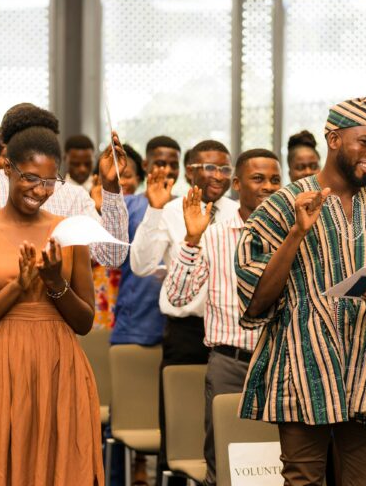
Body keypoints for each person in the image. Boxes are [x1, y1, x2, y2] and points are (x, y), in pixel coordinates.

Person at [236, 97, 366, 485]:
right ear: (333, 139)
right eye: (364, 142)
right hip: (302, 367)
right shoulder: (282, 206)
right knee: (303, 479)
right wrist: (297, 232)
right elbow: (255, 299)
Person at [0, 104, 104, 485]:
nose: (40, 191)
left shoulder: (70, 231)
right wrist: (17, 288)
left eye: (50, 182)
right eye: (31, 178)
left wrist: (54, 283)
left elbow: (85, 321)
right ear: (7, 168)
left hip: (58, 370)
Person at [165, 149, 281, 486]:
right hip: (229, 364)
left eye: (275, 179)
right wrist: (191, 239)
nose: (268, 186)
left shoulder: (294, 236)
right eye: (258, 179)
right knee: (225, 463)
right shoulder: (213, 236)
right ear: (237, 184)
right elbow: (177, 296)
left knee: (279, 465)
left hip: (281, 364)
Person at [130, 139, 238, 483]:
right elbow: (142, 265)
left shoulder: (239, 212)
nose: (218, 175)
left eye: (224, 168)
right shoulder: (170, 210)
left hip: (230, 334)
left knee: (224, 430)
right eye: (210, 167)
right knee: (180, 426)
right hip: (186, 332)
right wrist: (154, 210)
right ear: (190, 171)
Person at [0, 103, 128, 270]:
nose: (40, 191)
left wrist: (111, 187)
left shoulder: (73, 196)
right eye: (29, 178)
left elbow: (111, 257)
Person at [107, 135, 180, 486]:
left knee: (169, 411)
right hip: (135, 318)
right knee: (127, 410)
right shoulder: (129, 205)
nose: (166, 169)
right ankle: (119, 476)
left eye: (173, 163)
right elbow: (114, 253)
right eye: (159, 162)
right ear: (147, 165)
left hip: (175, 326)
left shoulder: (185, 207)